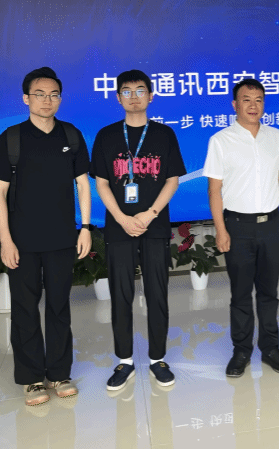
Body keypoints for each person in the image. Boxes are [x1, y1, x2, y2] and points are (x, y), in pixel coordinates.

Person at [0, 67, 92, 406]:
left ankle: (59, 373)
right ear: (26, 98)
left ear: (60, 99)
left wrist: (85, 227)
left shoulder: (71, 135)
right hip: (22, 241)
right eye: (39, 94)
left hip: (62, 238)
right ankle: (32, 378)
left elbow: (82, 185)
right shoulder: (12, 139)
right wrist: (5, 240)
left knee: (60, 306)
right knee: (25, 309)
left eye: (53, 95)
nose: (47, 101)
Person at [90, 70, 186, 389]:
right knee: (121, 294)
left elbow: (172, 179)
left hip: (154, 225)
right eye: (127, 91)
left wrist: (150, 213)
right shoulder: (106, 136)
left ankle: (158, 358)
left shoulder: (164, 134)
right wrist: (121, 217)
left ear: (151, 96)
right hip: (119, 228)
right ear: (118, 98)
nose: (134, 97)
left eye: (140, 90)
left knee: (157, 293)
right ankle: (125, 361)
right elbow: (102, 183)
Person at [203, 78, 279, 377]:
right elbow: (214, 190)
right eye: (246, 99)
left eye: (258, 100)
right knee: (241, 293)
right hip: (237, 226)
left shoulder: (276, 137)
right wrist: (221, 229)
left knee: (269, 292)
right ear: (235, 104)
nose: (253, 105)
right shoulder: (221, 140)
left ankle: (270, 348)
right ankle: (241, 350)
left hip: (271, 224)